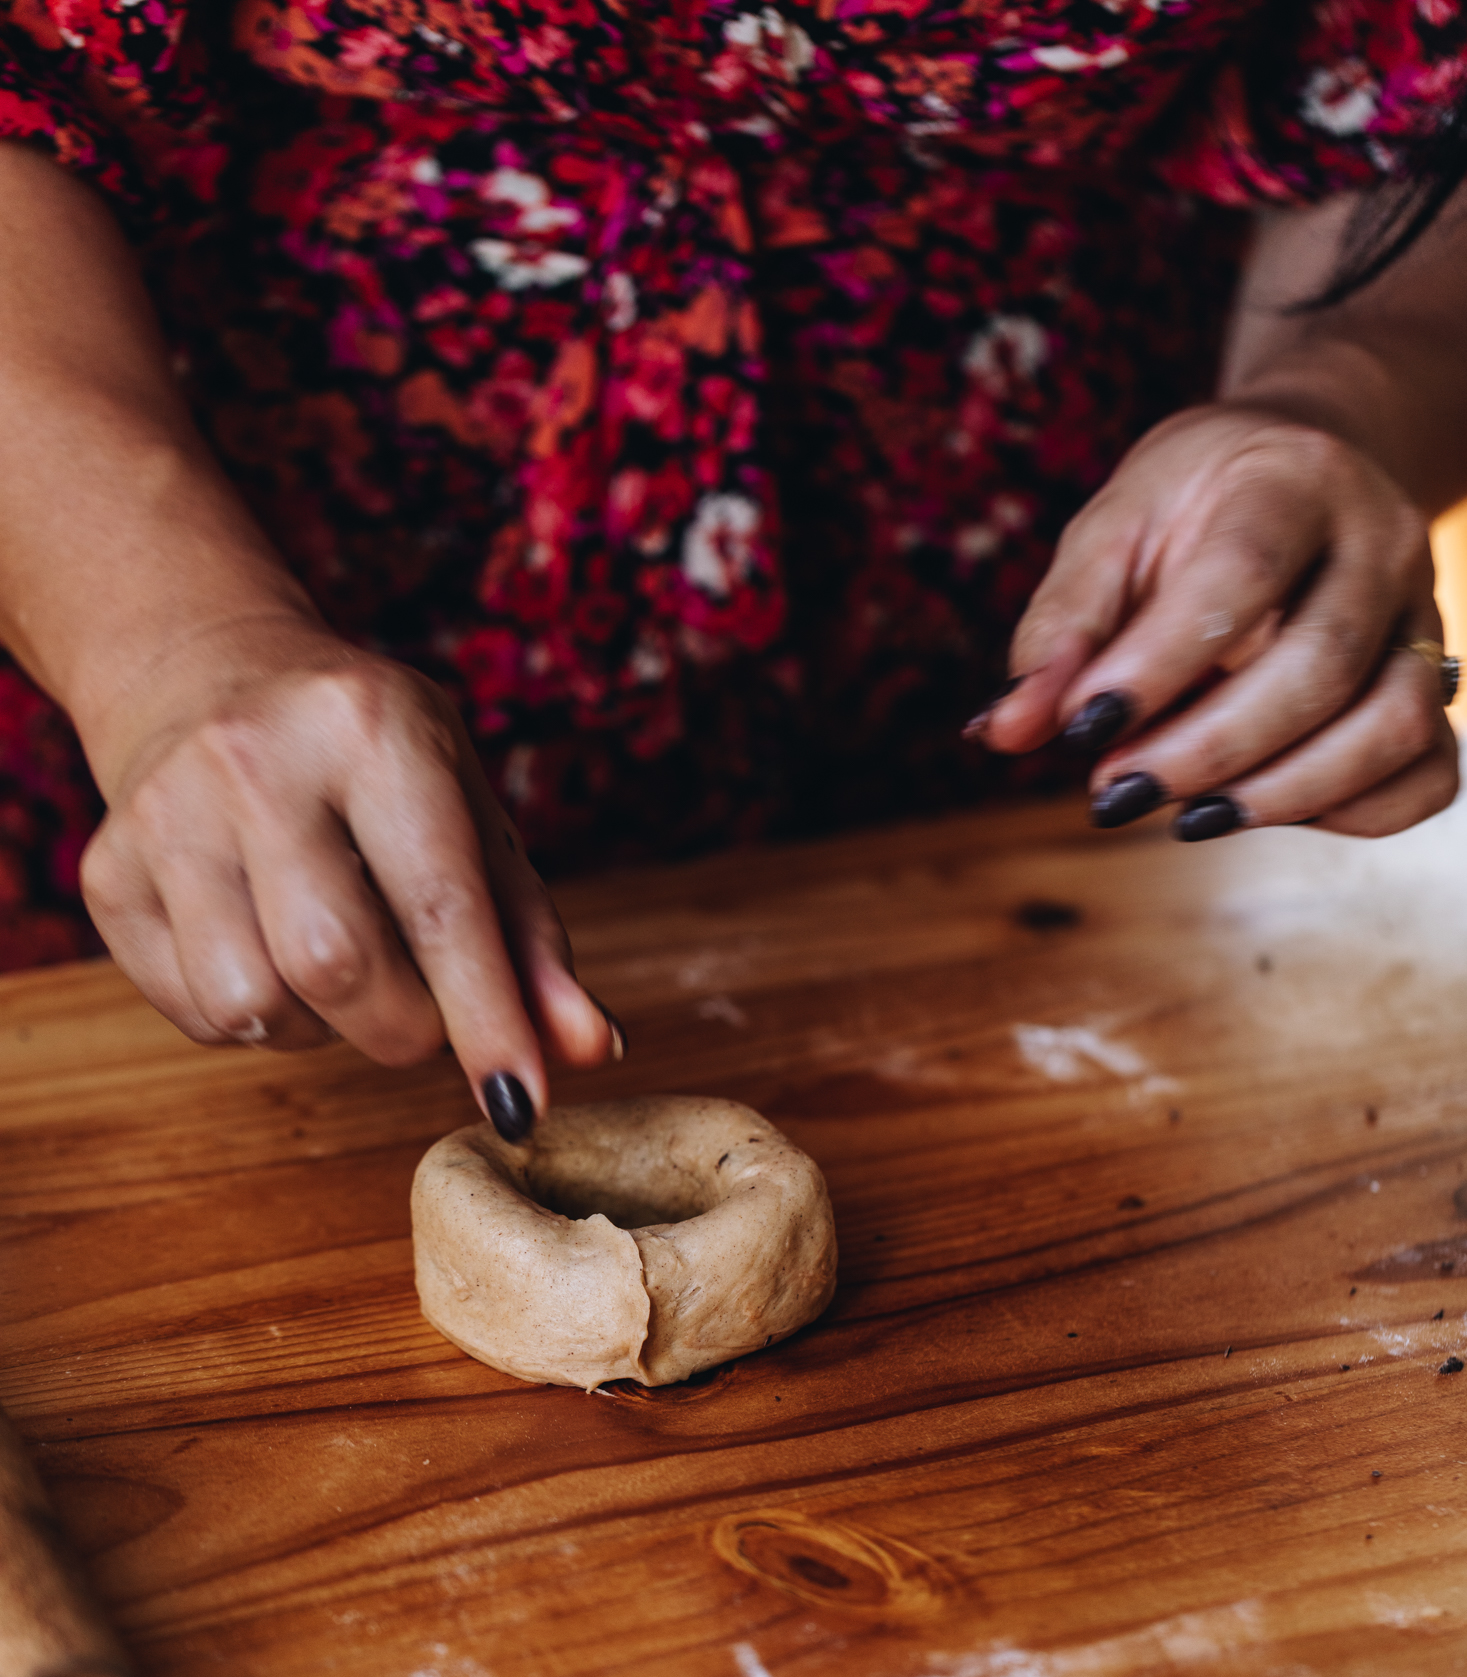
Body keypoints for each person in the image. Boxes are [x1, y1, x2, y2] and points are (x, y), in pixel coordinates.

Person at [2, 0, 1466, 1143]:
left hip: (1011, 762)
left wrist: (1342, 401)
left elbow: (1419, 77)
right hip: (186, 631)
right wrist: (166, 639)